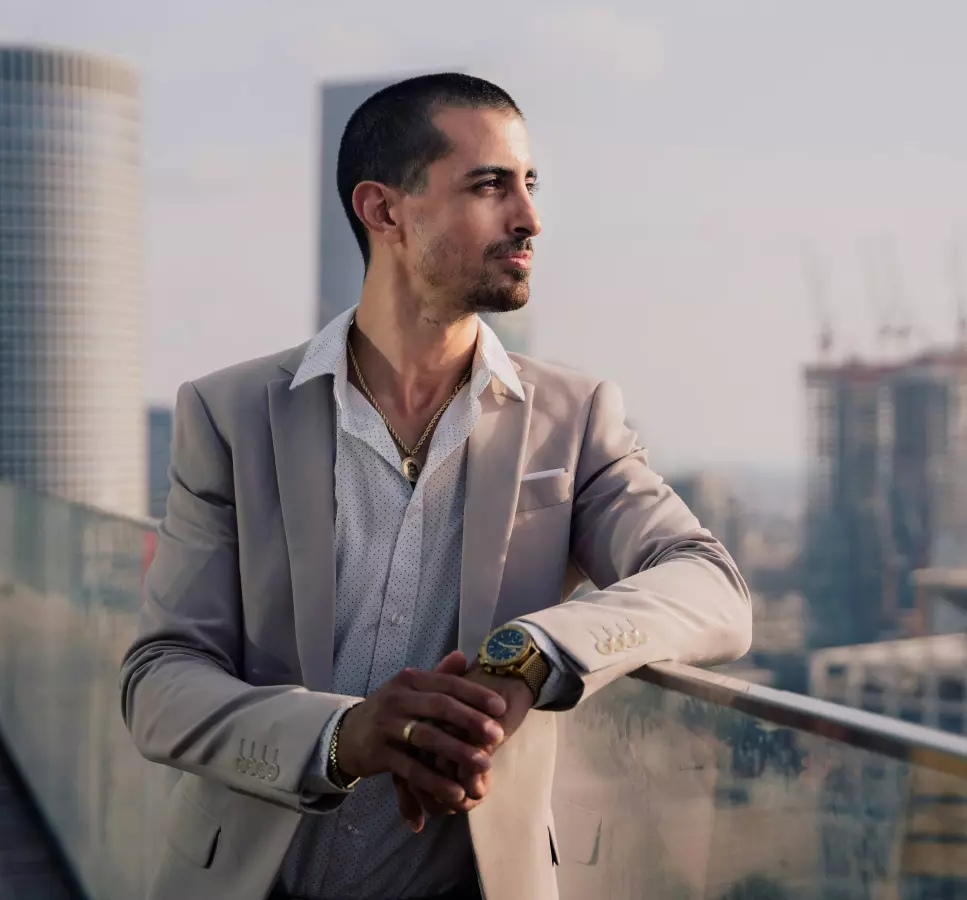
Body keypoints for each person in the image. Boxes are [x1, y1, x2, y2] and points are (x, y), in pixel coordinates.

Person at [120, 72, 751, 900]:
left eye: (529, 184)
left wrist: (531, 655)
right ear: (384, 211)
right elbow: (160, 681)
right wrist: (343, 736)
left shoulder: (573, 417)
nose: (528, 217)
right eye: (489, 185)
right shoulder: (231, 413)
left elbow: (714, 588)